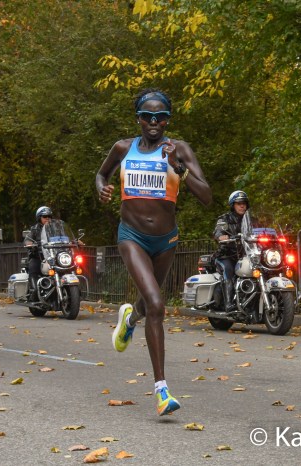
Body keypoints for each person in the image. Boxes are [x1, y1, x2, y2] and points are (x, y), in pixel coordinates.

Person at [96, 88, 212, 416]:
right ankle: (162, 390)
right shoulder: (123, 148)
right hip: (131, 236)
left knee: (148, 305)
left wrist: (181, 169)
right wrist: (101, 189)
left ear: (167, 121)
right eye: (147, 116)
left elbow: (207, 197)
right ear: (138, 118)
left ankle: (130, 318)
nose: (154, 122)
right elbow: (101, 174)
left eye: (161, 117)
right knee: (158, 305)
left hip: (166, 240)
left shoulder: (180, 149)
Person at [213, 191, 250, 312]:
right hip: (226, 255)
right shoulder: (225, 219)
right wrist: (221, 236)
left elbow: (260, 230)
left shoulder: (251, 220)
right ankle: (228, 303)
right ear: (233, 205)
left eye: (244, 203)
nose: (242, 206)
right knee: (228, 269)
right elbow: (218, 231)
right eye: (239, 203)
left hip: (246, 255)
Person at [25, 206, 53, 301]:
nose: (47, 218)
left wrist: (74, 241)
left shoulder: (55, 229)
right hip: (38, 256)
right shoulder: (34, 229)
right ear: (39, 218)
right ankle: (34, 291)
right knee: (33, 268)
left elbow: (64, 237)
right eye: (44, 216)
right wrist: (29, 243)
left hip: (53, 256)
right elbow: (27, 239)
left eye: (49, 216)